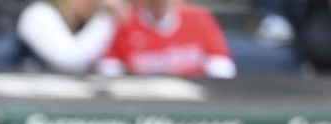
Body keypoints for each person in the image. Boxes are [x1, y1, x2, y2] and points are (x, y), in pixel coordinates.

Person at [96, 0, 236, 77]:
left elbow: (223, 67)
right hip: (144, 101)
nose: (158, 2)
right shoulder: (126, 23)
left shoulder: (198, 18)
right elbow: (109, 68)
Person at [17, 0, 127, 73]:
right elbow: (70, 61)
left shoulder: (84, 22)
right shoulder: (38, 13)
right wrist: (106, 18)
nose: (90, 2)